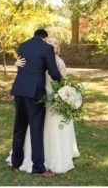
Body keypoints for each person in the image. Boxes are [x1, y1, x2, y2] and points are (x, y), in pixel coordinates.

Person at [7, 36, 79, 173]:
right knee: (34, 129)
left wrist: (66, 92)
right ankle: (35, 165)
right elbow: (27, 69)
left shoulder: (58, 60)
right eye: (50, 42)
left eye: (56, 43)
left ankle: (25, 162)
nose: (52, 45)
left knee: (29, 128)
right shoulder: (41, 54)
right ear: (44, 44)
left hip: (45, 95)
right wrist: (16, 64)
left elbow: (60, 79)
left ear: (58, 47)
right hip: (37, 94)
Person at [10, 29, 61, 178]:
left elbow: (22, 65)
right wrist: (61, 83)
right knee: (36, 130)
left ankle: (16, 163)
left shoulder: (23, 45)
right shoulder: (46, 48)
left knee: (18, 128)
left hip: (19, 90)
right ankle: (38, 168)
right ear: (44, 38)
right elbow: (53, 71)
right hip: (35, 93)